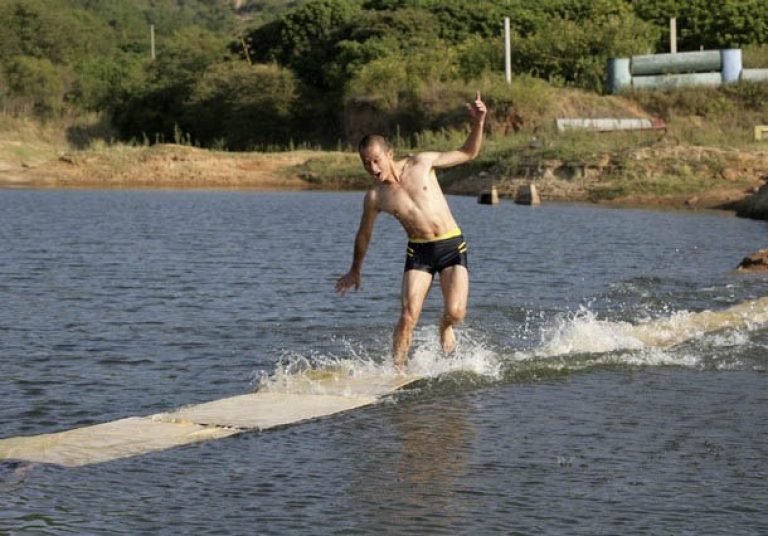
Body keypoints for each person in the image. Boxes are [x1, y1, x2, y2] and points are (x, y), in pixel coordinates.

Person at [335, 91, 487, 368]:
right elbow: (364, 235)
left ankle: (444, 326)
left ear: (389, 154)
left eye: (377, 160)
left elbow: (469, 153)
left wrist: (478, 122)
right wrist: (355, 269)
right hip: (419, 251)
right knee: (407, 315)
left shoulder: (422, 163)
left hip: (451, 244)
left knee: (456, 312)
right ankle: (397, 369)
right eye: (366, 163)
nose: (373, 168)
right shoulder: (375, 197)